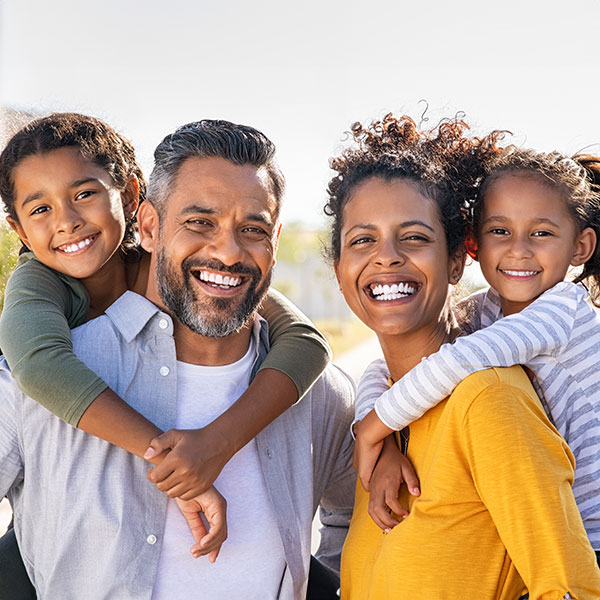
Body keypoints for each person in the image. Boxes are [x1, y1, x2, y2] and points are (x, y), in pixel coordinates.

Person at [0, 119, 355, 599]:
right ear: (150, 226)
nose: (227, 252)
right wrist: (168, 459)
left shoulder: (317, 394)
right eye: (199, 222)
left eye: (252, 229)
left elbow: (306, 340)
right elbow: (37, 362)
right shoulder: (30, 365)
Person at [326, 114, 600, 597]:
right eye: (362, 239)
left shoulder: (489, 394)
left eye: (414, 236)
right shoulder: (406, 400)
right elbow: (379, 371)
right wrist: (380, 431)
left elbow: (568, 587)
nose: (386, 257)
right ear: (339, 266)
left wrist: (374, 428)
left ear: (457, 259)